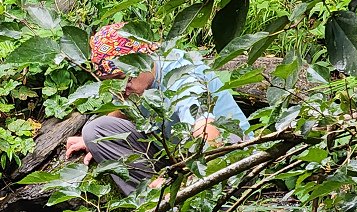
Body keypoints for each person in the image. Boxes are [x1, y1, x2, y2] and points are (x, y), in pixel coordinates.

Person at [66, 22, 251, 197]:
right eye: (112, 82)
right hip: (176, 152)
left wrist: (188, 183)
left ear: (144, 58)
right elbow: (124, 108)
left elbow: (207, 131)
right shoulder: (134, 82)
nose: (121, 87)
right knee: (94, 131)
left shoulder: (182, 75)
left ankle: (178, 197)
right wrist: (95, 140)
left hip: (225, 152)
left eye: (124, 78)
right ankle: (155, 198)